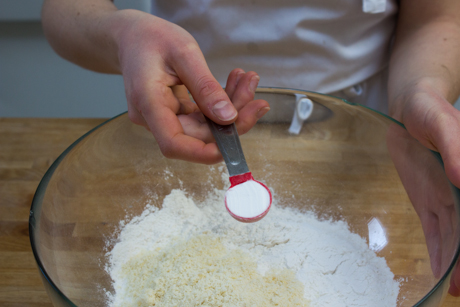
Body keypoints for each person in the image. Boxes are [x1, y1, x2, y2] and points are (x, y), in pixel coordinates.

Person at [41, 0, 460, 295]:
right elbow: (64, 9)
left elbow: (436, 16)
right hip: (186, 122)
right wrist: (123, 34)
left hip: (365, 138)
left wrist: (418, 93)